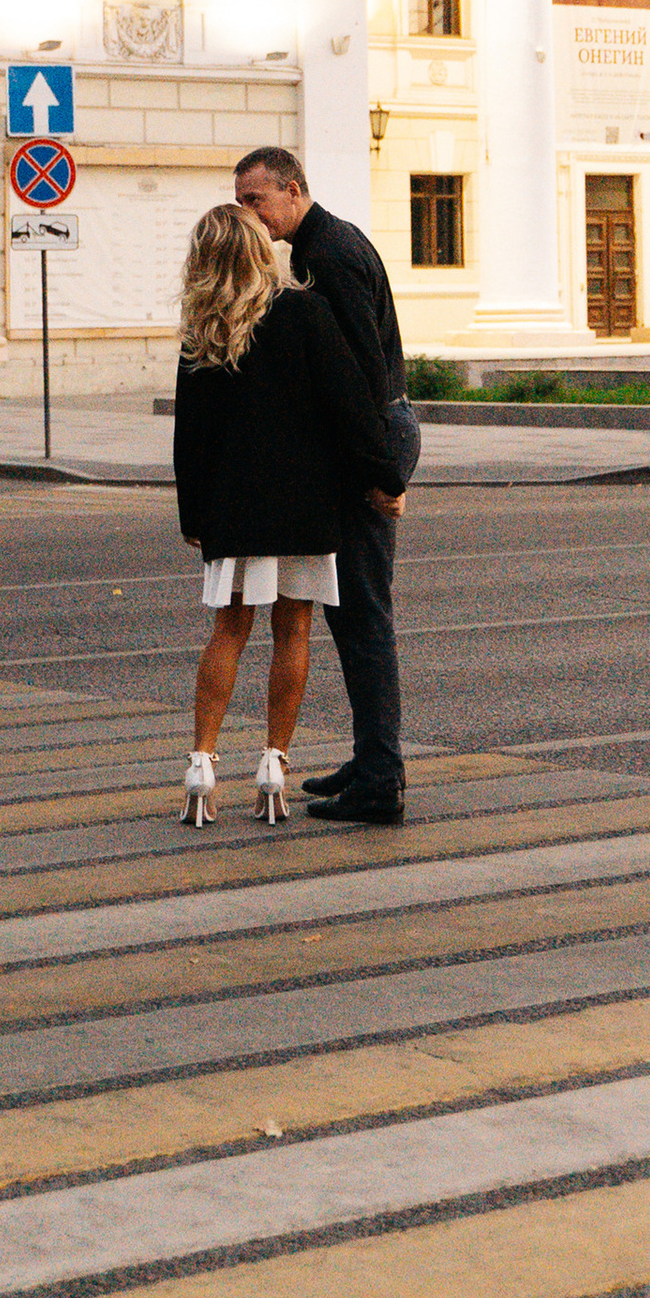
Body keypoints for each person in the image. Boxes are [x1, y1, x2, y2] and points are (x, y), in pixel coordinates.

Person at [171, 202, 404, 831]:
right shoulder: (304, 311)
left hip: (233, 506)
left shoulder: (204, 328)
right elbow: (349, 407)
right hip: (304, 503)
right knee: (292, 631)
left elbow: (189, 436)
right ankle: (273, 766)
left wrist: (193, 513)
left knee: (228, 630)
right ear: (257, 251)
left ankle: (201, 765)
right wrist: (386, 477)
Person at [233, 144, 419, 825]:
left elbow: (361, 375)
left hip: (372, 437)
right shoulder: (324, 245)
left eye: (255, 200)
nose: (248, 213)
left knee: (364, 616)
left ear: (290, 190)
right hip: (373, 435)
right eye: (241, 202)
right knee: (351, 615)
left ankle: (381, 781)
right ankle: (371, 758)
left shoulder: (327, 256)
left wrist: (381, 472)